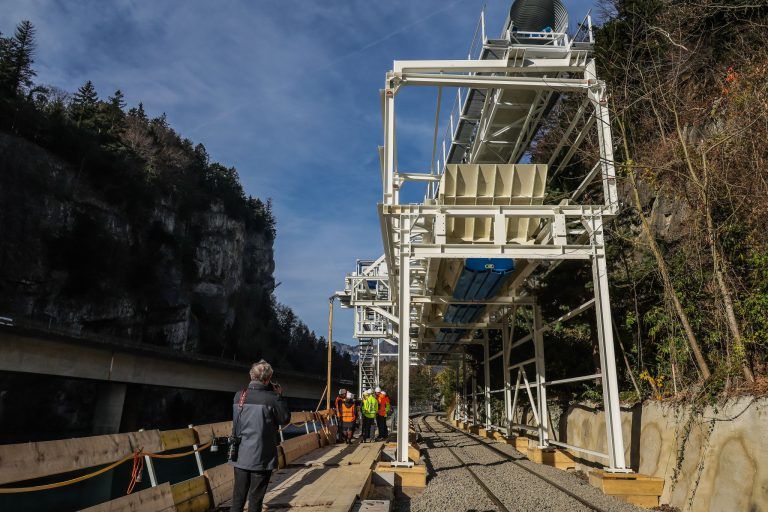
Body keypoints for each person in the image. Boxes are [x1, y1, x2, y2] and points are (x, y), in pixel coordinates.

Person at [230, 360, 291, 512]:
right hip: (261, 457)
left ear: (251, 376)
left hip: (240, 456)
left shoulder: (239, 396)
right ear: (267, 379)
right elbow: (285, 419)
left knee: (237, 500)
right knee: (255, 502)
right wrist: (279, 396)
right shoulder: (272, 398)